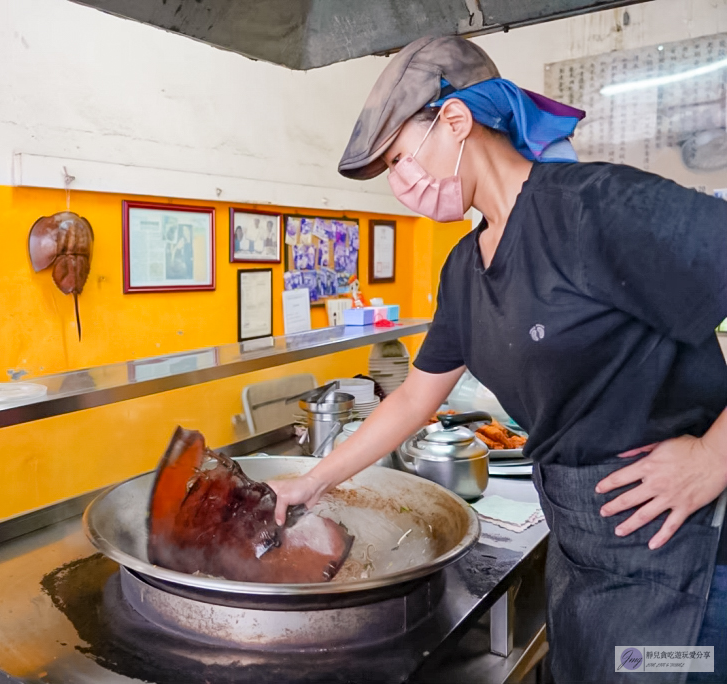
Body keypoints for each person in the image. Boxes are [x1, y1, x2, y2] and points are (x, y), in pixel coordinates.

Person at [270, 35, 727, 684]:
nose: (402, 186)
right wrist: (310, 481)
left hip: (683, 569)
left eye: (401, 160)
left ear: (456, 122)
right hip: (585, 560)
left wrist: (714, 457)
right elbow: (413, 398)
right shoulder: (464, 268)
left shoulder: (594, 207)